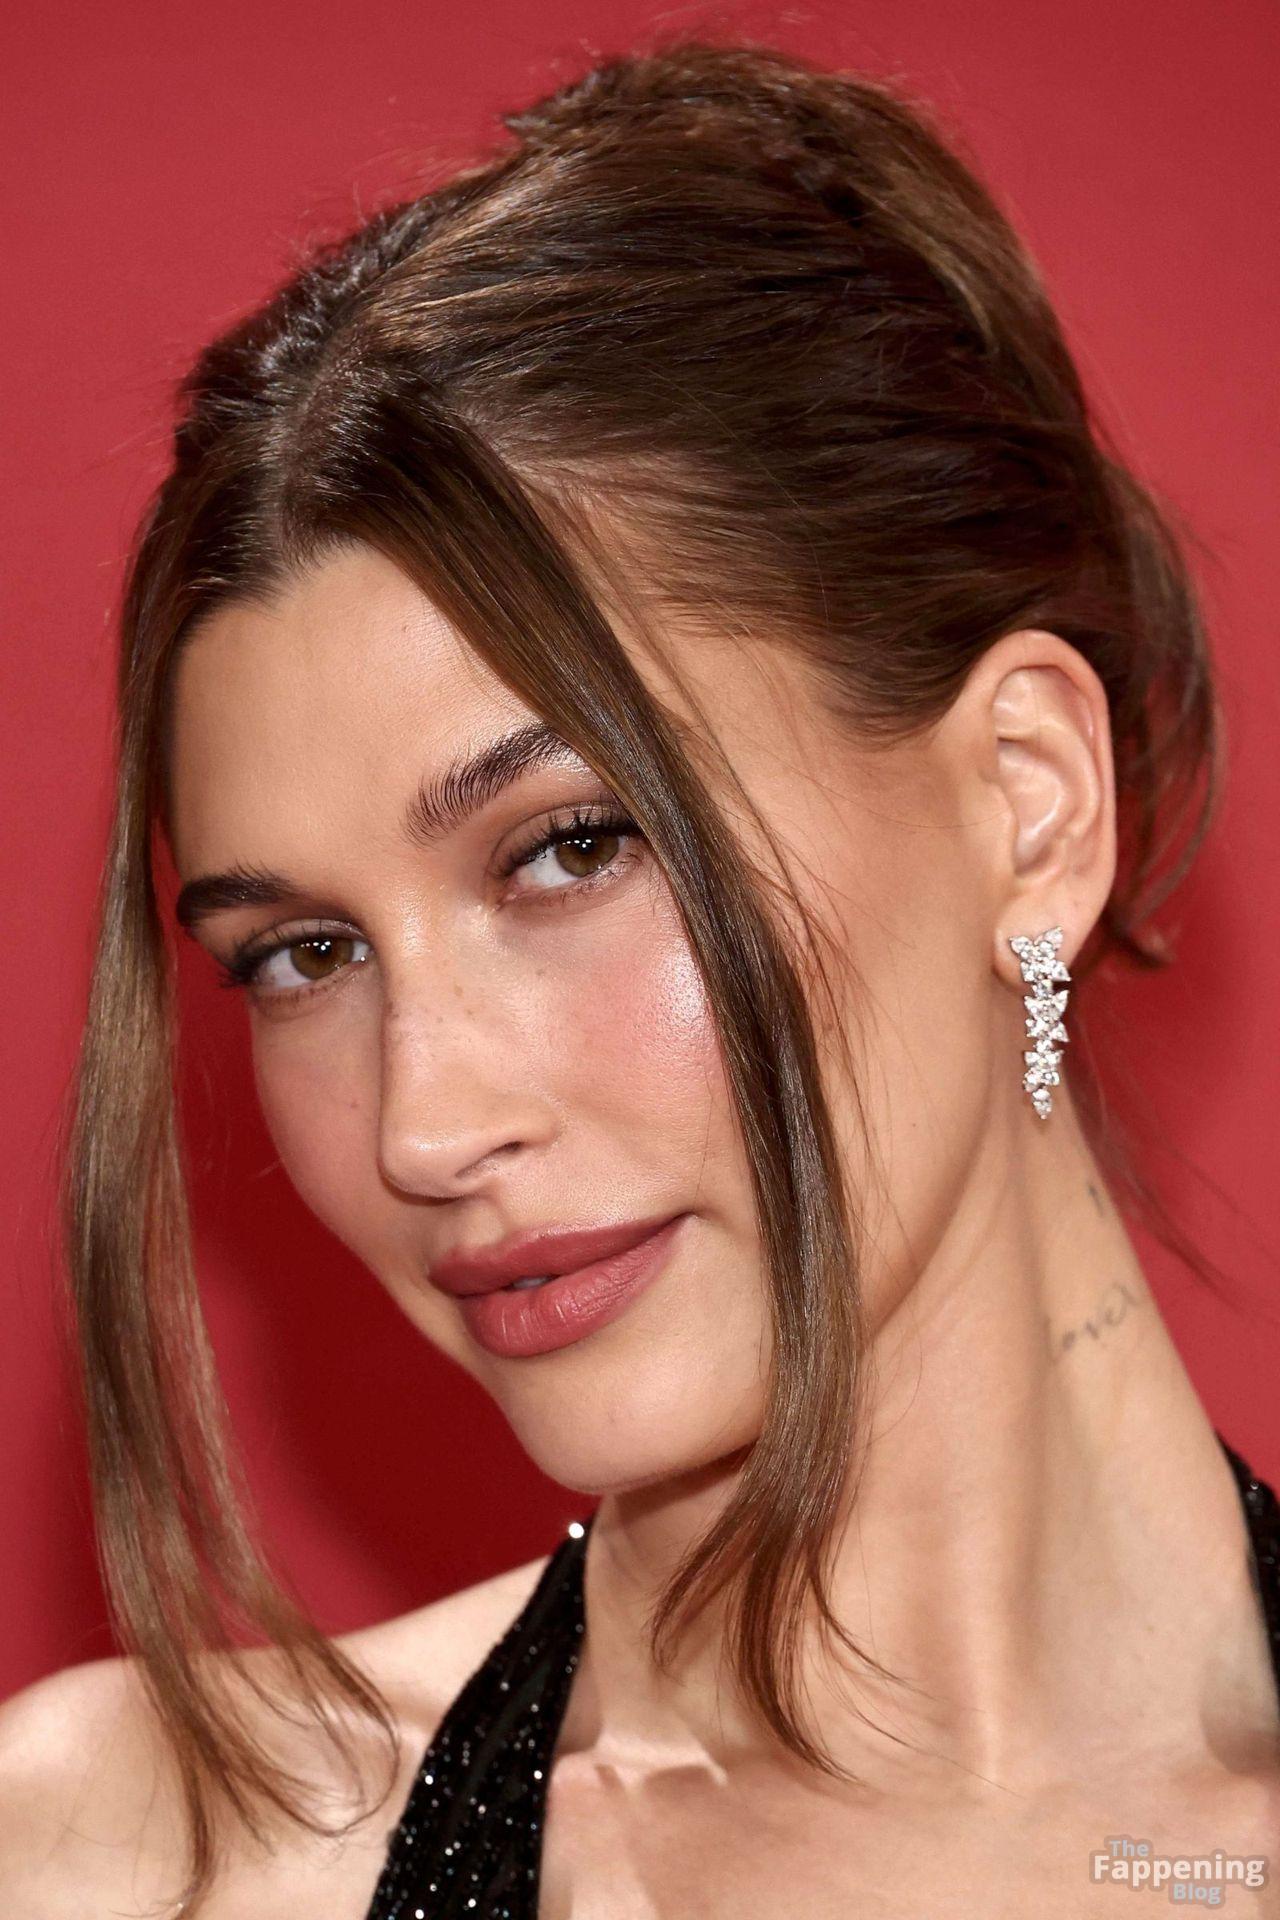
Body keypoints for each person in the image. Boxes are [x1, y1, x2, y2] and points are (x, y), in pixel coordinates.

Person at [2, 33, 1277, 1920]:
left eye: (571, 848)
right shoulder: (123, 1866)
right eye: (305, 954)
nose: (424, 1123)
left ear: (1027, 802)